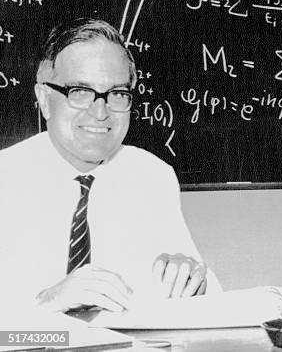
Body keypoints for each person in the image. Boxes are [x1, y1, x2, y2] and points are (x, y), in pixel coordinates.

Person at [0, 18, 221, 313]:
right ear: (43, 98)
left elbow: (211, 305)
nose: (101, 111)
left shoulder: (151, 176)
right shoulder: (6, 178)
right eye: (79, 91)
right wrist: (42, 307)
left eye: (117, 94)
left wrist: (192, 279)